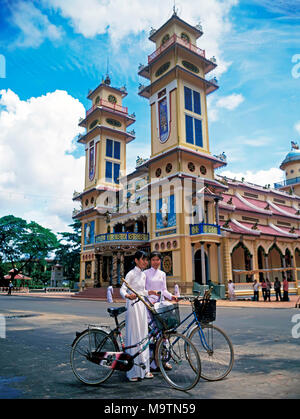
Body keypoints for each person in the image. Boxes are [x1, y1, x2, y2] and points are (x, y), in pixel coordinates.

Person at [120, 251, 159, 382]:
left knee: (143, 336)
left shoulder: (143, 275)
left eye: (146, 260)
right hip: (133, 306)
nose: (146, 262)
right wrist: (127, 296)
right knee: (134, 336)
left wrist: (150, 292)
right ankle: (132, 372)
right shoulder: (131, 274)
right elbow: (122, 289)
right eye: (143, 260)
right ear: (136, 260)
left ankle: (145, 369)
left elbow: (141, 291)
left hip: (142, 307)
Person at [144, 251, 177, 372]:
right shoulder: (145, 273)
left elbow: (164, 290)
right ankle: (152, 362)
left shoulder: (162, 274)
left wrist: (171, 296)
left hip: (160, 306)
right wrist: (148, 303)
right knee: (152, 334)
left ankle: (164, 360)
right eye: (153, 260)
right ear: (150, 261)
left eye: (158, 260)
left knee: (164, 334)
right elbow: (144, 290)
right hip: (149, 306)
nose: (156, 262)